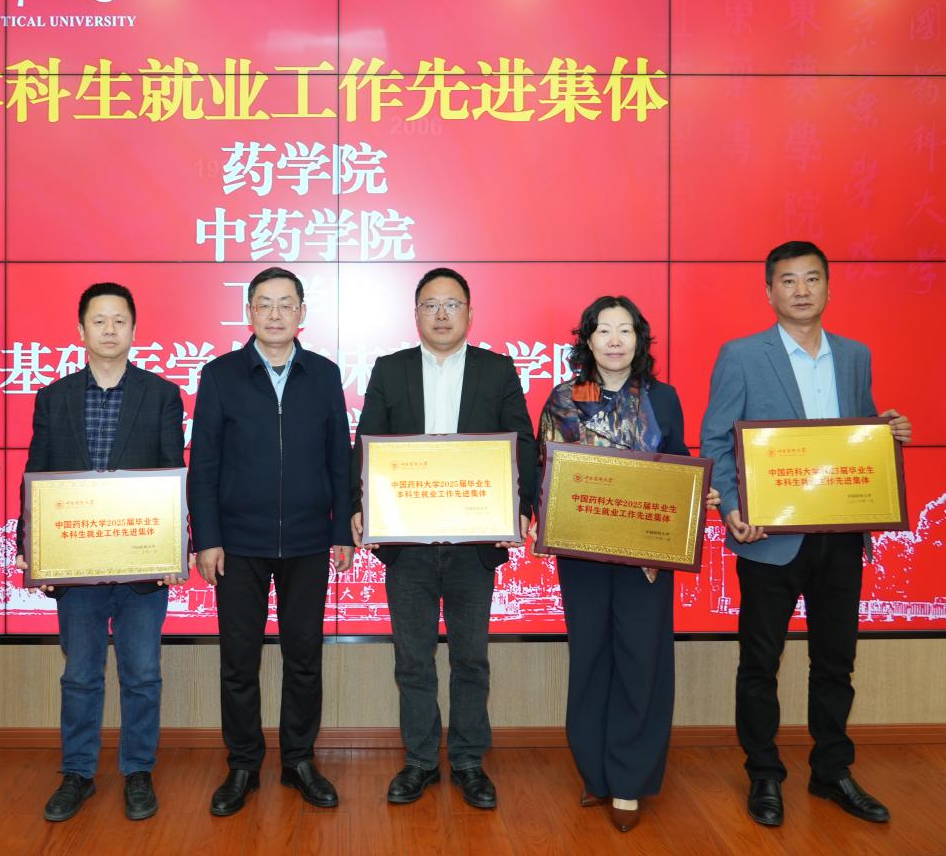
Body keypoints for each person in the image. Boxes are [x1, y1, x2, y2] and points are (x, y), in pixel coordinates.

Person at [700, 241, 912, 827]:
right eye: (788, 280)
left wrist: (886, 431)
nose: (801, 290)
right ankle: (764, 773)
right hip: (769, 536)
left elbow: (857, 433)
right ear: (769, 291)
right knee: (760, 662)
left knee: (836, 660)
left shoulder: (854, 355)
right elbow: (717, 440)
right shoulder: (742, 355)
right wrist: (733, 508)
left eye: (812, 279)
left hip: (840, 536)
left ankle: (832, 770)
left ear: (828, 287)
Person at [351, 267, 537, 810]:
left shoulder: (496, 369)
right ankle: (420, 761)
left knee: (470, 658)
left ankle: (469, 761)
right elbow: (367, 442)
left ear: (469, 314)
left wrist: (518, 509)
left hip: (473, 544)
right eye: (430, 305)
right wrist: (361, 506)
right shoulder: (391, 369)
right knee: (413, 659)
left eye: (451, 304)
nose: (441, 314)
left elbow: (522, 443)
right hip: (407, 544)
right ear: (416, 314)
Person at [535, 295, 719, 833]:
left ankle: (630, 780)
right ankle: (595, 772)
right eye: (603, 330)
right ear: (587, 340)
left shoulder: (662, 397)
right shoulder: (565, 398)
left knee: (642, 659)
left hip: (648, 554)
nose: (614, 340)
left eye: (625, 330)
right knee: (591, 656)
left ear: (639, 339)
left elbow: (678, 461)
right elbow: (546, 472)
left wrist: (696, 495)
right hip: (583, 551)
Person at [15, 282, 185, 823]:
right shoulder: (54, 397)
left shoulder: (161, 394)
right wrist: (31, 548)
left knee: (142, 674)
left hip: (141, 563)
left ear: (134, 329)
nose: (109, 330)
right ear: (81, 329)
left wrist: (174, 550)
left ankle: (138, 771)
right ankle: (78, 774)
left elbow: (173, 474)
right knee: (81, 675)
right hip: (76, 563)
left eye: (119, 321)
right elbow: (37, 473)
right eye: (99, 320)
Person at [189, 267, 354, 817]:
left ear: (302, 313)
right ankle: (242, 764)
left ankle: (299, 760)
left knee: (304, 656)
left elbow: (339, 459)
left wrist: (340, 531)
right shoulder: (220, 375)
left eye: (287, 304)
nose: (276, 314)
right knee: (239, 660)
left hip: (308, 540)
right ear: (249, 313)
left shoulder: (324, 375)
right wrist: (207, 538)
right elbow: (204, 464)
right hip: (238, 543)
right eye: (265, 304)